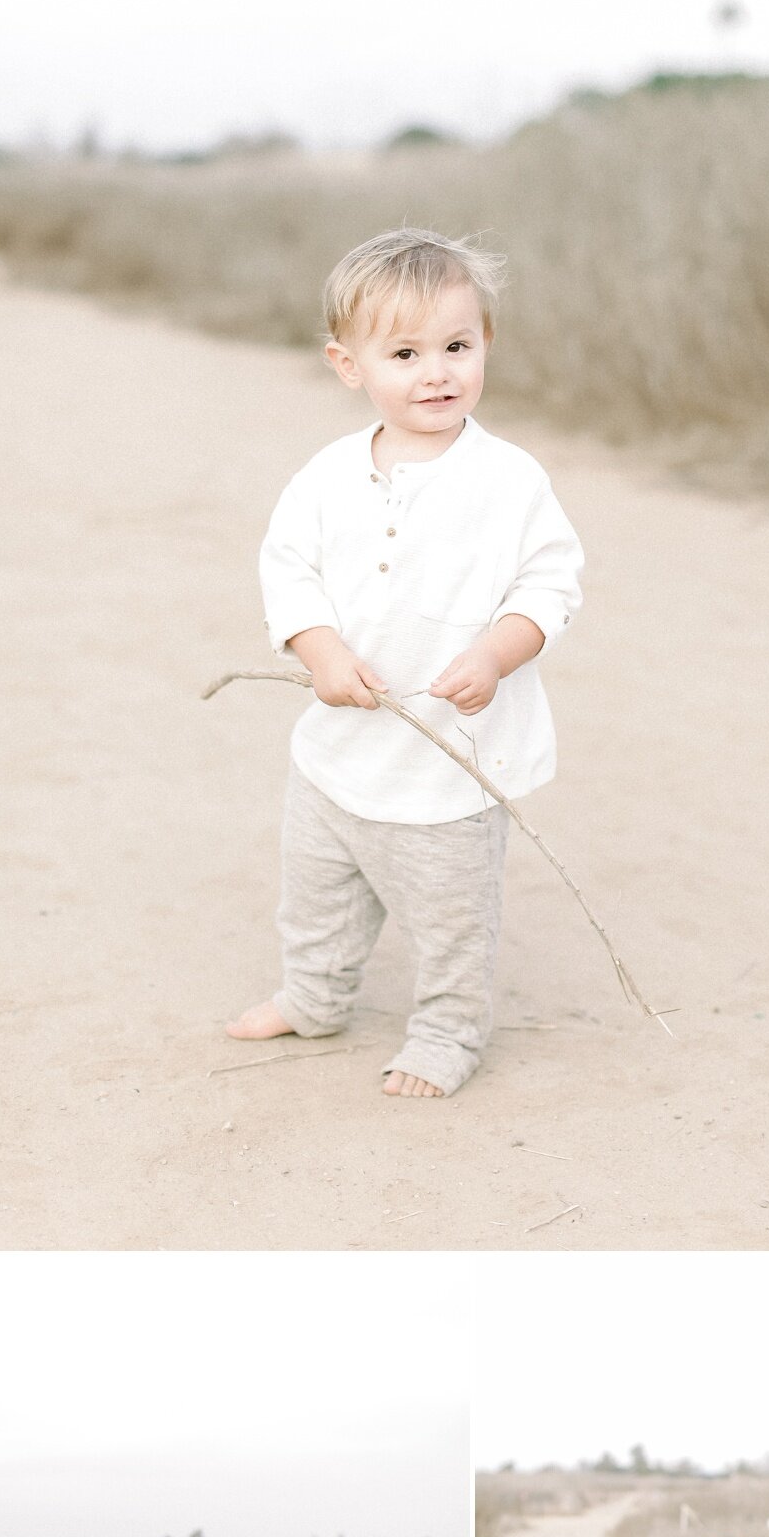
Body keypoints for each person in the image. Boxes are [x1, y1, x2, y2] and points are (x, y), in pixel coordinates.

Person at [228, 225, 583, 1099]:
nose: (437, 372)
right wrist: (320, 650)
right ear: (349, 365)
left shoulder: (509, 480)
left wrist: (498, 653)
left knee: (451, 919)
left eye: (457, 347)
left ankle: (448, 1032)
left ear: (485, 346)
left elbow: (551, 583)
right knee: (317, 898)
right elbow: (290, 570)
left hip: (448, 769)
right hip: (337, 755)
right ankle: (313, 997)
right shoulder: (325, 477)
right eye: (405, 352)